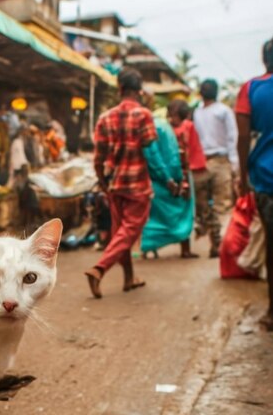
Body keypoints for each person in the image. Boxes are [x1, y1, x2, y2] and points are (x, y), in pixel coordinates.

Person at [84, 67, 158, 299]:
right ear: (139, 90)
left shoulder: (106, 118)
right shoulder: (144, 114)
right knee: (128, 232)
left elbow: (98, 157)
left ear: (120, 88)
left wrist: (102, 181)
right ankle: (99, 269)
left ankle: (129, 278)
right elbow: (152, 151)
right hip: (137, 184)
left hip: (115, 184)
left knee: (121, 233)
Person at [236, 37, 273, 331]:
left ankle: (272, 310)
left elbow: (244, 137)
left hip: (265, 177)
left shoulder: (251, 89)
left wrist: (243, 177)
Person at [193, 78, 239, 256]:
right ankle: (215, 239)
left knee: (221, 205)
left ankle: (219, 244)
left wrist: (234, 164)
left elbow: (232, 137)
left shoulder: (224, 111)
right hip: (202, 162)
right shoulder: (196, 112)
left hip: (221, 161)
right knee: (202, 206)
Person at [140, 111, 195, 258]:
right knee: (182, 213)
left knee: (155, 216)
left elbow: (152, 156)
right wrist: (172, 178)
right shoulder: (163, 128)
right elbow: (170, 156)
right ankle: (185, 249)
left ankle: (149, 248)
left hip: (155, 179)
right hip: (170, 177)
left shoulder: (152, 127)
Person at [168, 99, 207, 257]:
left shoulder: (165, 128)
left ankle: (183, 247)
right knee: (184, 211)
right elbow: (195, 149)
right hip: (182, 173)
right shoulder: (187, 127)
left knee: (176, 210)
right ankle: (185, 249)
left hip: (172, 174)